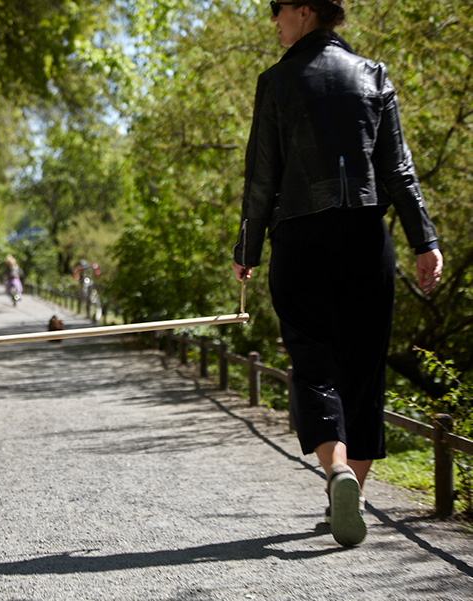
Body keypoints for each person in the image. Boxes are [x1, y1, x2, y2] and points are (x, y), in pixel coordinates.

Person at [232, 0, 442, 547]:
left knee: (313, 362)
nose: (273, 21)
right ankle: (352, 497)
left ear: (304, 11)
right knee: (364, 371)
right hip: (366, 239)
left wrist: (247, 249)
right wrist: (426, 241)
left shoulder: (277, 81)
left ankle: (337, 472)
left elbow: (262, 176)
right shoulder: (372, 75)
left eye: (277, 10)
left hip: (302, 239)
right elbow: (397, 168)